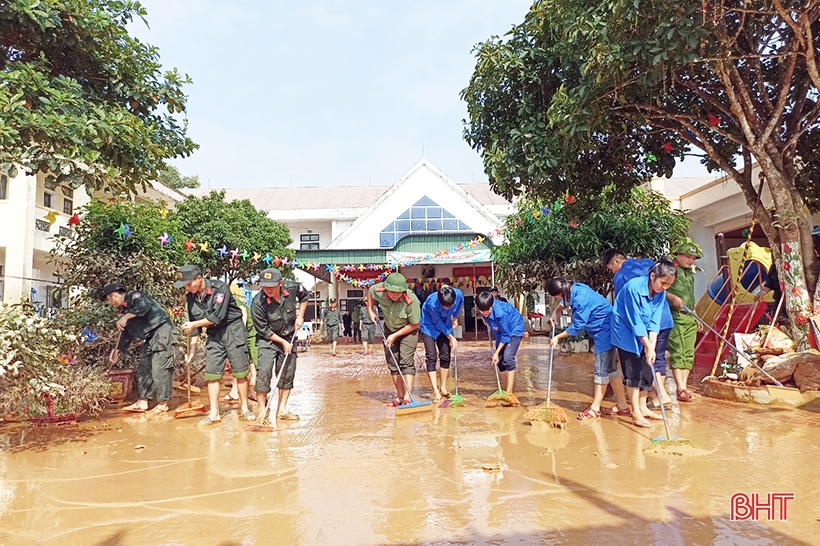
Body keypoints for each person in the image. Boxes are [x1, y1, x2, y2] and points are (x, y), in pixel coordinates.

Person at [176, 264, 253, 426]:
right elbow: (194, 326)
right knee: (212, 374)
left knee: (240, 372)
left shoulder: (220, 289)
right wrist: (191, 351)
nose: (187, 288)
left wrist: (194, 324)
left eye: (189, 284)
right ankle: (214, 413)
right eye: (185, 286)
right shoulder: (191, 297)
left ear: (199, 278)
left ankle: (245, 408)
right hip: (214, 334)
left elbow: (217, 317)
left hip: (233, 329)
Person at [547, 278, 630, 419]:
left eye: (556, 297)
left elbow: (578, 326)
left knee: (601, 370)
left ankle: (595, 409)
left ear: (560, 293)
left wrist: (557, 337)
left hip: (605, 330)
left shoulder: (581, 299)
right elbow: (565, 301)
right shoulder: (575, 287)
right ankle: (622, 406)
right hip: (603, 330)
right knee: (610, 369)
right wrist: (556, 312)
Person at [603, 249, 674, 408]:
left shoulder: (660, 290)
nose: (665, 287)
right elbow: (634, 320)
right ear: (652, 276)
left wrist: (651, 346)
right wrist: (647, 345)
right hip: (626, 329)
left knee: (648, 366)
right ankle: (636, 411)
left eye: (669, 285)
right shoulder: (633, 287)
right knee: (633, 368)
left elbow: (655, 321)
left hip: (647, 327)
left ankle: (645, 406)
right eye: (663, 283)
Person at [104, 283, 177, 415]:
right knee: (144, 367)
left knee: (160, 367)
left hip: (162, 331)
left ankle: (163, 404)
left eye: (109, 299)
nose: (110, 302)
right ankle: (143, 402)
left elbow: (144, 307)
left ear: (114, 296)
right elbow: (126, 333)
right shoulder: (125, 311)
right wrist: (117, 350)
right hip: (150, 337)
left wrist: (125, 317)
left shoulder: (135, 297)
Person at [251, 268, 310, 422]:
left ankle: (282, 410)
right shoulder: (258, 303)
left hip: (289, 335)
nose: (268, 289)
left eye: (272, 285)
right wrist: (282, 342)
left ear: (281, 283)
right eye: (265, 285)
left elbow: (305, 297)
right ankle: (262, 413)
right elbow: (263, 329)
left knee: (286, 373)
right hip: (268, 339)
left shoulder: (292, 288)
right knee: (263, 372)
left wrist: (301, 317)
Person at [367, 272, 421, 406]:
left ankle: (408, 397)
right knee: (392, 362)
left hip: (408, 330)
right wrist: (370, 310)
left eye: (399, 292)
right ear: (386, 289)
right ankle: (400, 396)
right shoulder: (379, 290)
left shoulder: (411, 300)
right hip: (390, 328)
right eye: (392, 292)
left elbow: (415, 324)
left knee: (406, 361)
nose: (396, 295)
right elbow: (370, 292)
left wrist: (395, 336)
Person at [666, 238, 703, 402]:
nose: (691, 260)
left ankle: (684, 386)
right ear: (678, 255)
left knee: (689, 353)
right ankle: (680, 387)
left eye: (693, 258)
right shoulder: (669, 270)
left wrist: (695, 315)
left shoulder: (689, 273)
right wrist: (673, 297)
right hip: (675, 315)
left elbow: (689, 296)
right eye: (688, 256)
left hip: (689, 316)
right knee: (678, 352)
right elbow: (658, 289)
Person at [476, 291, 525, 396]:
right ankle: (505, 388)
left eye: (487, 311)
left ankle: (510, 392)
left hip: (514, 329)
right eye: (482, 311)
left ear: (492, 305)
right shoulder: (484, 310)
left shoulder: (501, 313)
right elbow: (499, 331)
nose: (484, 313)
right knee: (500, 361)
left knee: (507, 358)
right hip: (501, 332)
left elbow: (506, 335)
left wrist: (496, 352)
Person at [420, 284, 464, 400]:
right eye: (445, 306)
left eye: (450, 306)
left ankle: (443, 388)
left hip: (446, 324)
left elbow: (460, 303)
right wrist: (450, 337)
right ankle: (435, 390)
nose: (447, 308)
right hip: (429, 326)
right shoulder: (432, 302)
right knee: (431, 356)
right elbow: (437, 322)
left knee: (445, 355)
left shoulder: (458, 294)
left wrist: (455, 317)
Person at [225, 283, 258, 403]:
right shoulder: (222, 304)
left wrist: (240, 335)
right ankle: (235, 391)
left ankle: (254, 379)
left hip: (250, 330)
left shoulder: (235, 302)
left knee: (253, 355)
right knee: (240, 361)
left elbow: (242, 316)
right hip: (239, 332)